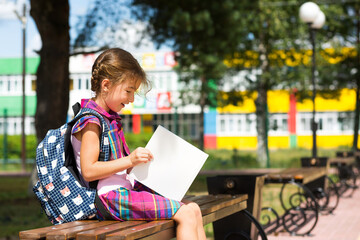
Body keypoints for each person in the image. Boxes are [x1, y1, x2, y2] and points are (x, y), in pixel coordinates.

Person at [71, 48, 206, 240]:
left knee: (193, 208)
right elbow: (89, 170)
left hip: (123, 191)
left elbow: (118, 166)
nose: (132, 99)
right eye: (129, 91)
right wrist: (130, 160)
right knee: (184, 213)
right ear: (106, 85)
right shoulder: (91, 121)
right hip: (108, 198)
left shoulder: (109, 118)